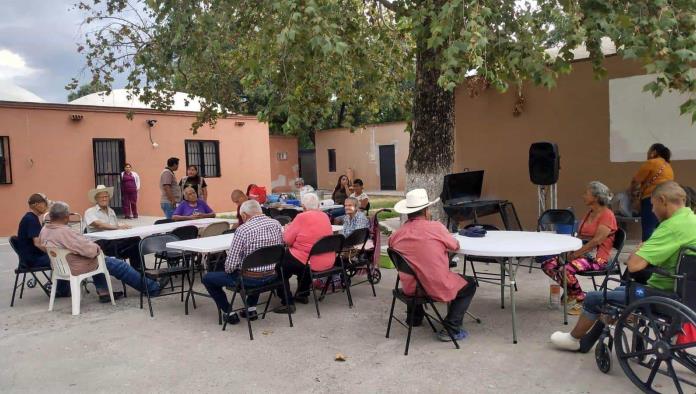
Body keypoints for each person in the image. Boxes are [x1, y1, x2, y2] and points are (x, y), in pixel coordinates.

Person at [550, 181, 696, 351]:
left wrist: (640, 250)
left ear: (663, 200)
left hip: (664, 294)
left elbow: (634, 265)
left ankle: (573, 339)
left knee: (594, 298)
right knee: (617, 292)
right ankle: (588, 340)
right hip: (687, 293)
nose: (652, 211)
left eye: (653, 205)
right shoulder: (691, 220)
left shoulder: (671, 227)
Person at [388, 188, 477, 341]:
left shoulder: (397, 234)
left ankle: (414, 318)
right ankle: (452, 328)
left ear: (408, 212)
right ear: (426, 210)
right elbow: (455, 246)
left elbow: (395, 251)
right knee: (470, 284)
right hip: (433, 287)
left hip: (410, 288)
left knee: (415, 268)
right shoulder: (436, 227)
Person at [41, 202, 162, 302]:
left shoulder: (45, 230)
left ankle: (103, 291)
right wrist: (97, 249)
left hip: (61, 266)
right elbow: (89, 250)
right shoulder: (65, 232)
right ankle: (152, 288)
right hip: (76, 266)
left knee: (98, 259)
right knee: (118, 265)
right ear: (66, 216)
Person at [537, 181, 617, 311]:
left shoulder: (607, 215)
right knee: (548, 265)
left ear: (596, 198)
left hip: (599, 259)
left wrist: (575, 254)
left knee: (565, 269)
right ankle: (572, 292)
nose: (583, 196)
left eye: (587, 193)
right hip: (582, 254)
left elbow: (597, 241)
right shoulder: (589, 213)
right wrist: (569, 251)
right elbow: (579, 236)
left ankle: (580, 297)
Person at [202, 200, 283, 325]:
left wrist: (230, 269)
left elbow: (230, 266)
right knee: (254, 264)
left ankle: (229, 313)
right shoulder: (276, 224)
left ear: (244, 215)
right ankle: (251, 310)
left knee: (208, 278)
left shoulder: (243, 230)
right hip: (271, 275)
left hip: (249, 279)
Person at [274, 193, 333, 313]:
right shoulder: (325, 216)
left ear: (303, 206)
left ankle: (287, 302)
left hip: (310, 261)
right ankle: (303, 293)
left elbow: (287, 240)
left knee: (280, 267)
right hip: (327, 259)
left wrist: (287, 229)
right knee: (300, 259)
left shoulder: (301, 217)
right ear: (317, 205)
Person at [15, 193, 70, 297]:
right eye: (45, 204)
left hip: (29, 257)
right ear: (36, 204)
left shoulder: (30, 218)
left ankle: (60, 287)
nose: (46, 206)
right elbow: (37, 244)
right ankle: (61, 290)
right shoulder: (31, 219)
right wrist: (53, 252)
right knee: (62, 259)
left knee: (60, 256)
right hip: (31, 259)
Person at [84, 185, 143, 269]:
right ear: (96, 199)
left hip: (113, 240)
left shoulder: (111, 211)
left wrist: (123, 226)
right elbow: (98, 224)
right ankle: (137, 270)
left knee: (136, 240)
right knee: (134, 244)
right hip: (99, 243)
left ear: (109, 198)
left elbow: (114, 226)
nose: (104, 199)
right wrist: (117, 227)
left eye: (106, 196)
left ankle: (139, 269)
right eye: (101, 197)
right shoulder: (90, 211)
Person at [631, 143, 674, 241]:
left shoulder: (652, 163)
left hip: (651, 200)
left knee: (648, 229)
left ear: (654, 152)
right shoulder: (668, 166)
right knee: (661, 230)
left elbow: (635, 181)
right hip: (667, 201)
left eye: (649, 151)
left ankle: (647, 254)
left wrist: (633, 193)